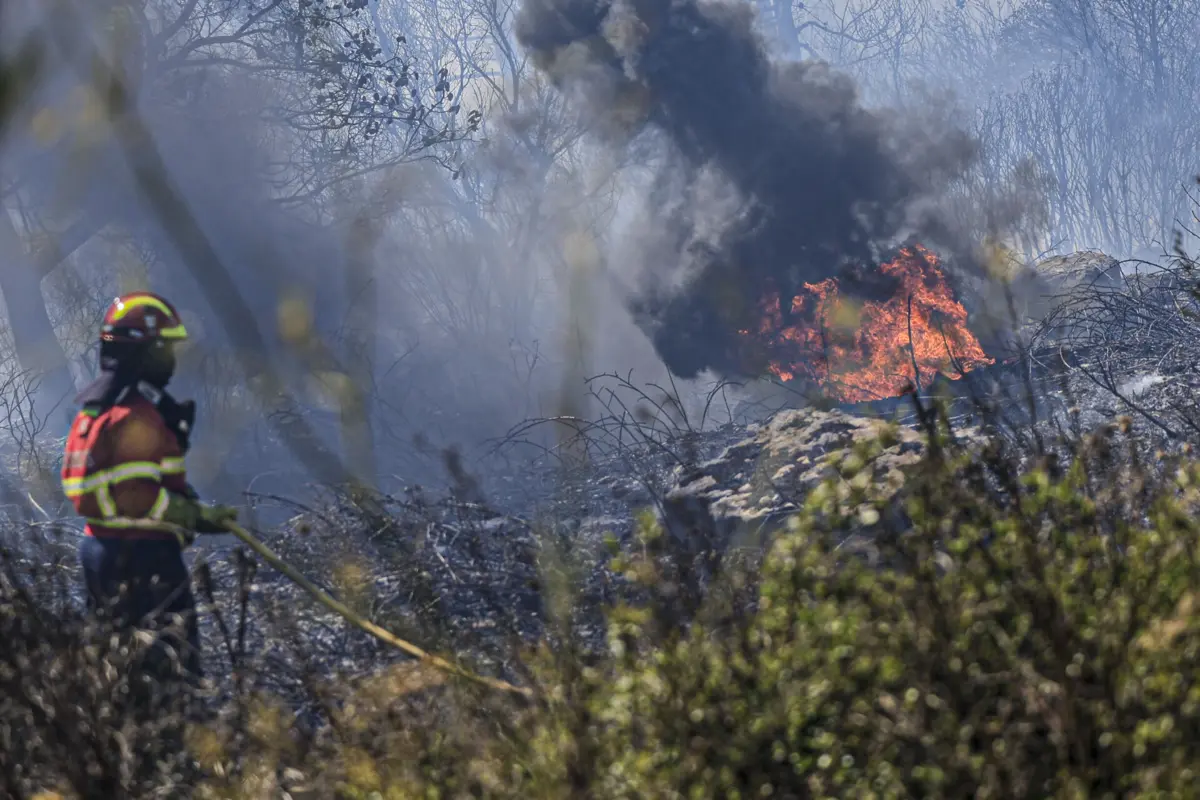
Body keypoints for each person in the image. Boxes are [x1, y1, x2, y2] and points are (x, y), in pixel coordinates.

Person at [61, 291, 238, 686]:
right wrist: (194, 515)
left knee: (119, 675)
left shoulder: (97, 409)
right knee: (171, 677)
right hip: (142, 560)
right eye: (166, 348)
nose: (172, 359)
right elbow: (135, 495)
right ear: (145, 351)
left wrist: (185, 498)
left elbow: (113, 486)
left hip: (100, 552)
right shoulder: (135, 416)